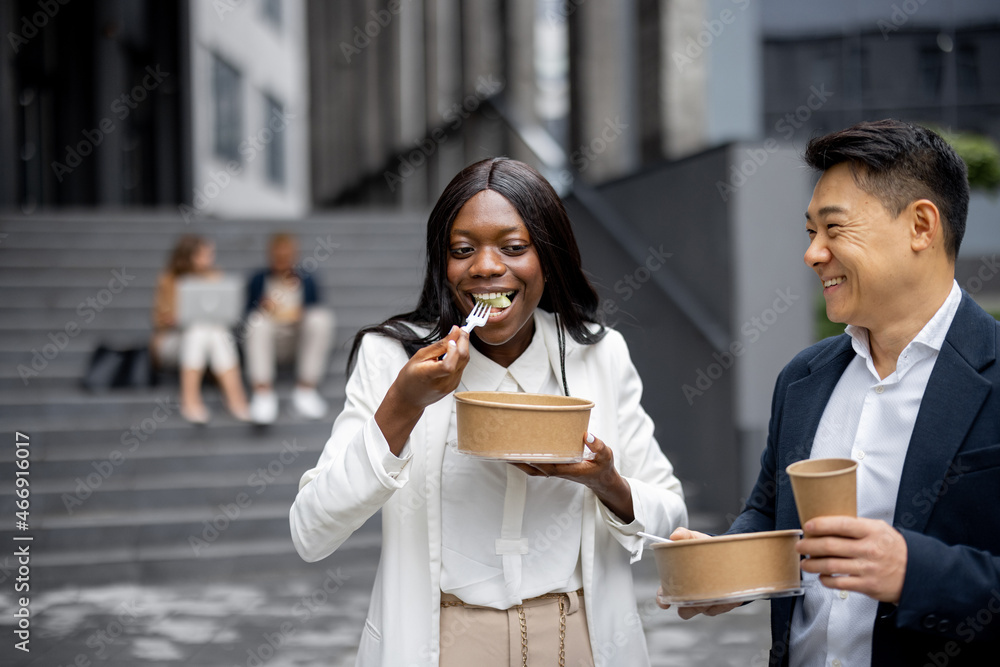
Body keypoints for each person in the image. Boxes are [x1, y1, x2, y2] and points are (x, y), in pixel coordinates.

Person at [289, 158, 688, 666]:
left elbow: (671, 515)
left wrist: (608, 482)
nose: (485, 267)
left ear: (549, 256)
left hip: (575, 640)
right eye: (463, 250)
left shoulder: (599, 354)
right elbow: (311, 531)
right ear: (444, 263)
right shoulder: (391, 357)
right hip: (441, 642)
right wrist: (402, 407)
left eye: (513, 247)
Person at [658, 119, 1000, 666]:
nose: (813, 254)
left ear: (921, 225)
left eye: (833, 229)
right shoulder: (803, 378)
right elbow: (770, 514)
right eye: (809, 233)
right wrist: (728, 565)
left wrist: (915, 572)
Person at [151, 235, 250, 424]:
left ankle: (234, 400)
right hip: (172, 341)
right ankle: (194, 400)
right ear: (190, 256)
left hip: (210, 338)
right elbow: (158, 320)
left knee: (213, 330)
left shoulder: (215, 276)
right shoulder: (169, 279)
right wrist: (175, 318)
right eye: (205, 254)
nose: (210, 259)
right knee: (197, 330)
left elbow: (226, 314)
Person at [244, 233, 335, 424]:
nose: (282, 260)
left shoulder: (308, 280)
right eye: (278, 255)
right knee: (256, 320)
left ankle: (306, 388)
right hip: (269, 340)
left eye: (286, 255)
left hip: (297, 339)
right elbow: (245, 315)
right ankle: (262, 392)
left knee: (321, 318)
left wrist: (302, 313)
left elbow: (315, 308)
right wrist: (262, 307)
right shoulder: (258, 280)